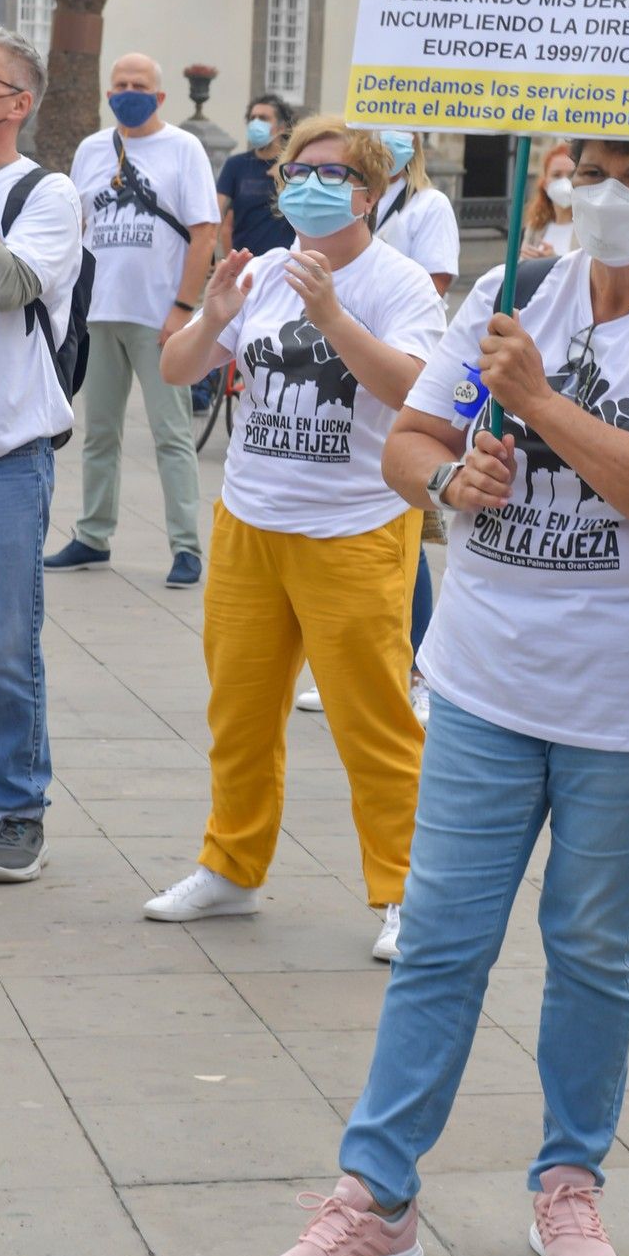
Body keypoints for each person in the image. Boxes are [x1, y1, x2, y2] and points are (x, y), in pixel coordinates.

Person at [254, 135, 629, 1256]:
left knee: (591, 948)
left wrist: (537, 400)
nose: (608, 195)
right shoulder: (508, 291)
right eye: (591, 169)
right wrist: (447, 483)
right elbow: (409, 438)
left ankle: (569, 1180)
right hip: (488, 683)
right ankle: (374, 1199)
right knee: (440, 940)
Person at [143, 119, 445, 959]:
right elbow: (177, 371)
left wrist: (335, 317)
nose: (305, 184)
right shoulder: (266, 270)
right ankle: (231, 869)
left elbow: (421, 392)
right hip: (249, 524)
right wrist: (212, 317)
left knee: (372, 722)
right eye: (294, 172)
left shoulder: (401, 283)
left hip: (354, 530)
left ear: (369, 191)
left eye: (327, 171)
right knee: (239, 710)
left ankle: (408, 891)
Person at [0, 24, 82, 883]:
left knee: (7, 643)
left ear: (17, 102)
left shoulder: (47, 194)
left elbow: (6, 286)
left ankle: (18, 810)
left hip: (2, 458)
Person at [296, 128, 461, 720]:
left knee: (408, 548)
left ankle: (415, 669)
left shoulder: (427, 207)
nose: (314, 186)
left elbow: (435, 283)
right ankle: (351, 668)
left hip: (401, 369)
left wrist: (352, 305)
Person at [44, 54, 219, 588]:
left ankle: (186, 546)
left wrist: (183, 309)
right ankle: (93, 534)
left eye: (138, 84)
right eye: (119, 84)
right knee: (97, 432)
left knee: (171, 434)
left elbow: (204, 232)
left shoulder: (183, 148)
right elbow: (77, 224)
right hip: (99, 311)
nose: (127, 92)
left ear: (160, 96)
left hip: (158, 316)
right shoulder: (92, 149)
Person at [372, 132, 459, 296]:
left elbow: (437, 282)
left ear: (414, 142)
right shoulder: (353, 195)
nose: (390, 136)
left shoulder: (431, 204)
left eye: (401, 129)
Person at [216, 92, 296, 257]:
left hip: (283, 265)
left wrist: (285, 179)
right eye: (252, 118)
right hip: (245, 265)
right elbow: (216, 213)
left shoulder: (295, 167)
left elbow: (305, 213)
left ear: (281, 127)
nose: (256, 123)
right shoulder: (235, 165)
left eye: (263, 118)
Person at [522, 141, 577, 258]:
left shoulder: (593, 229)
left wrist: (551, 262)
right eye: (557, 175)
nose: (565, 182)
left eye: (571, 175)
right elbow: (520, 270)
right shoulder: (535, 227)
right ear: (545, 183)